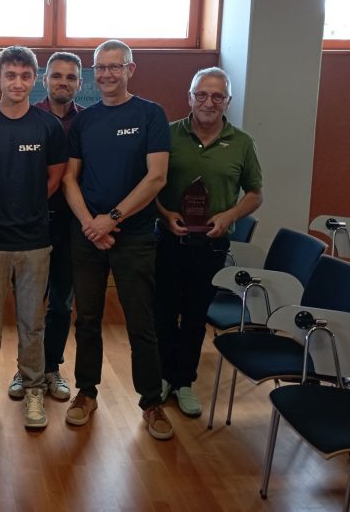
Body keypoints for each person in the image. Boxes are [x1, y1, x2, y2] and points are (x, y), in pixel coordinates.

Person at [61, 39, 174, 440]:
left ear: (130, 69)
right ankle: (86, 392)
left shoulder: (150, 114)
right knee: (87, 319)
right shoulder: (85, 121)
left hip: (134, 236)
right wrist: (90, 225)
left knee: (141, 322)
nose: (107, 74)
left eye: (115, 66)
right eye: (101, 67)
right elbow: (69, 179)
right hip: (88, 236)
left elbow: (156, 177)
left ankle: (151, 401)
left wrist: (111, 220)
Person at [0, 46, 67, 430]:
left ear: (34, 79)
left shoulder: (48, 126)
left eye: (25, 76)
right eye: (10, 75)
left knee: (32, 324)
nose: (17, 83)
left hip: (35, 242)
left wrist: (30, 205)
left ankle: (33, 390)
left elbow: (55, 177)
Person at [154, 67, 263, 418]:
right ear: (189, 97)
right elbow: (149, 184)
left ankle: (184, 381)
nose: (208, 102)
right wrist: (164, 214)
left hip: (212, 245)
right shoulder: (166, 134)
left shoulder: (242, 142)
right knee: (163, 312)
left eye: (217, 96)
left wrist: (230, 216)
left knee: (195, 315)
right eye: (201, 94)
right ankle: (163, 377)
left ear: (227, 101)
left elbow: (255, 193)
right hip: (168, 240)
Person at [6, 52, 84, 402]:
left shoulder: (87, 122)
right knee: (28, 305)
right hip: (30, 226)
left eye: (70, 77)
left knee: (62, 304)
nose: (63, 82)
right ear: (44, 79)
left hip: (70, 226)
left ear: (79, 84)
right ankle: (25, 370)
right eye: (56, 76)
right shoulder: (27, 117)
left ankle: (51, 367)